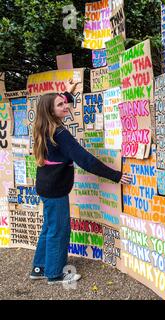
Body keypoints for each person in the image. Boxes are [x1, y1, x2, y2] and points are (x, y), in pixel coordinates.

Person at [29, 79, 132, 285]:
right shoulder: (61, 133)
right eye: (61, 105)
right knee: (59, 230)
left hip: (46, 187)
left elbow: (58, 103)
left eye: (64, 102)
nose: (66, 105)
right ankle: (55, 274)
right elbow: (86, 160)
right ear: (51, 111)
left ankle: (39, 268)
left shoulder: (45, 127)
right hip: (56, 190)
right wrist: (116, 175)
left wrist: (67, 92)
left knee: (50, 227)